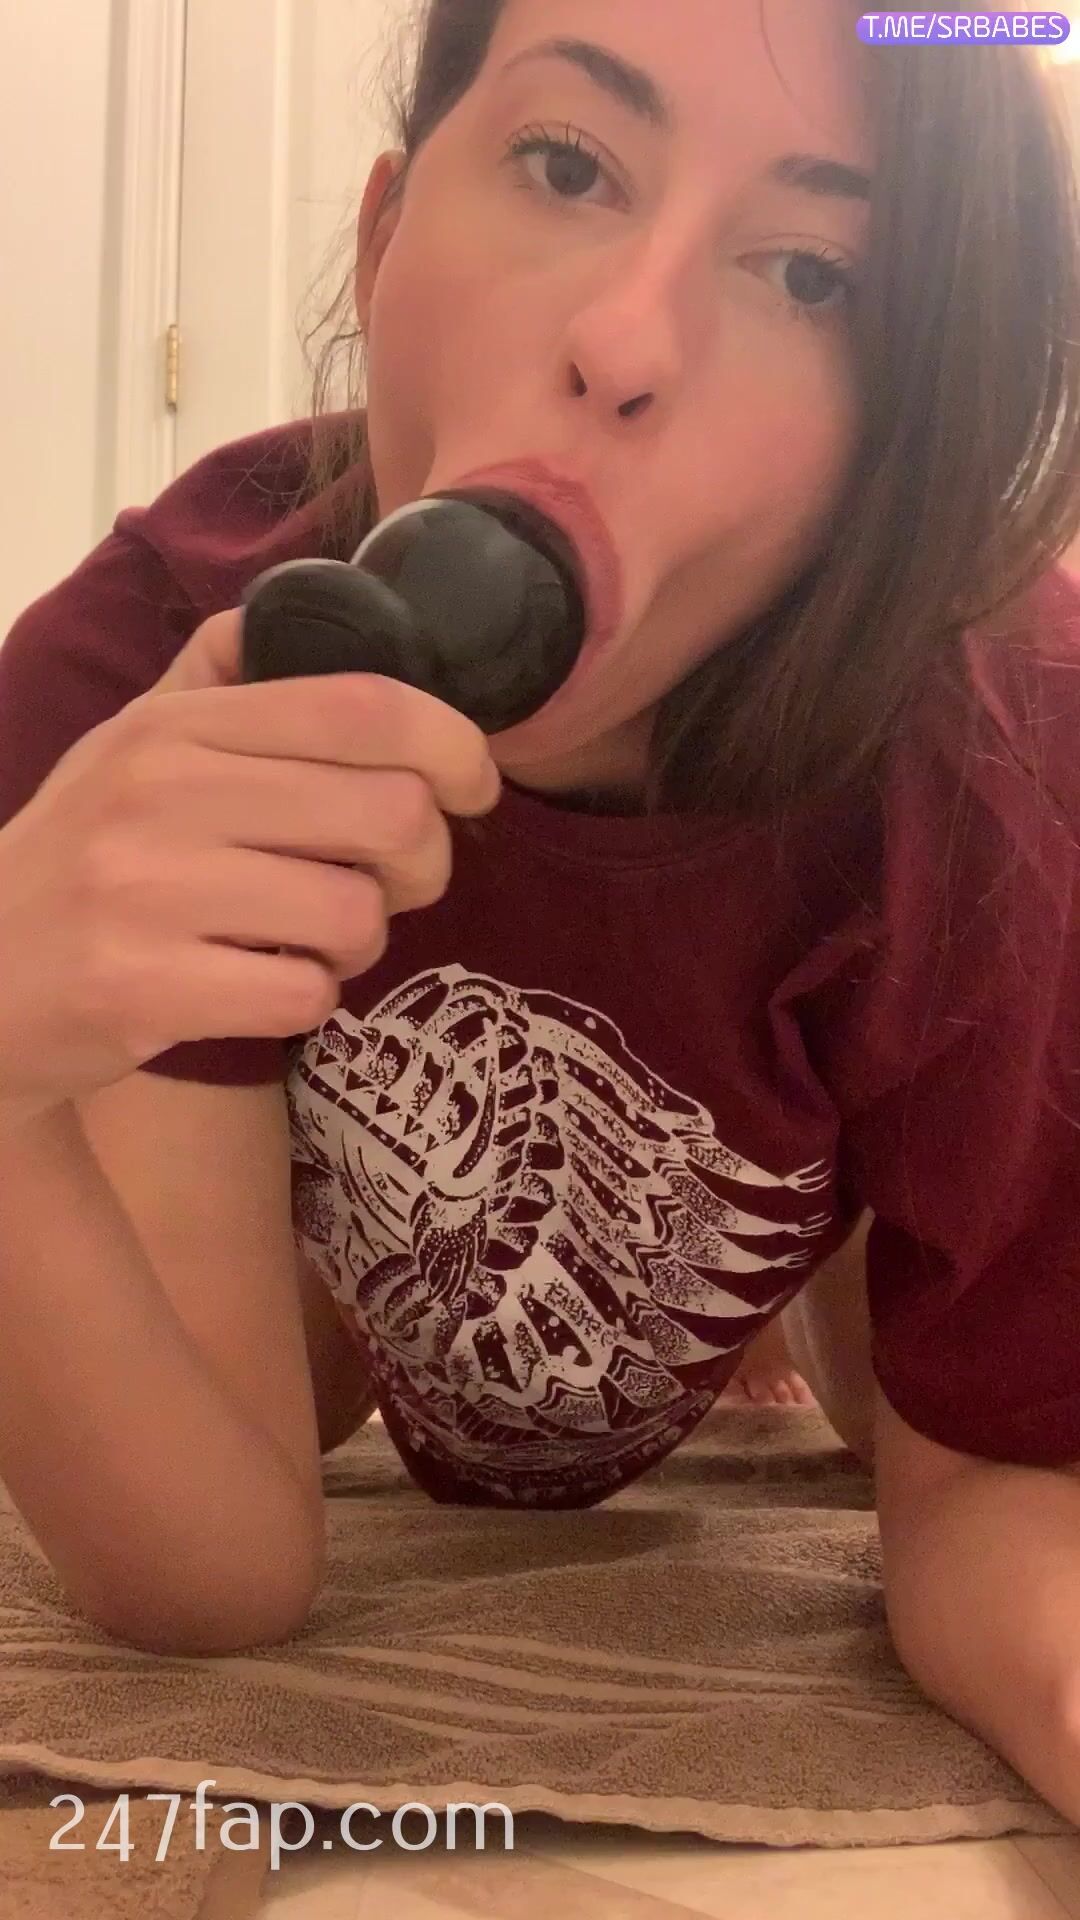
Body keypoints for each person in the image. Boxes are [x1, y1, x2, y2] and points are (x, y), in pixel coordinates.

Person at [1, 0, 1079, 1823]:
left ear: (895, 443)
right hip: (333, 1260)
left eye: (811, 272)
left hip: (826, 1188)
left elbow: (996, 1488)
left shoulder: (1005, 758)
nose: (624, 340)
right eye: (567, 163)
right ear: (384, 234)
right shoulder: (148, 666)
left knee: (886, 1404)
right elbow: (208, 1577)